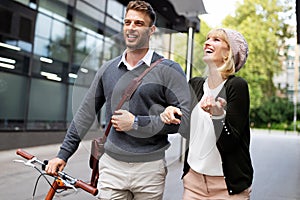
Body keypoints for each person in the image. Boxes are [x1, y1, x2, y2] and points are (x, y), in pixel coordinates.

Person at [45, 1, 190, 199]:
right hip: (111, 167)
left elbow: (185, 122)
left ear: (151, 30)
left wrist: (137, 123)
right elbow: (85, 114)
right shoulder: (108, 69)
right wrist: (63, 154)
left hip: (149, 169)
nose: (131, 27)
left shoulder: (169, 70)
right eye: (127, 22)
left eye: (138, 23)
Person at [161, 28, 253, 199]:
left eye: (216, 40)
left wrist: (217, 115)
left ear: (229, 52)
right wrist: (171, 113)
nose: (207, 42)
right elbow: (186, 131)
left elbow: (230, 142)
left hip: (227, 187)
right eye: (208, 38)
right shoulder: (195, 84)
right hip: (193, 184)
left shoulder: (236, 86)